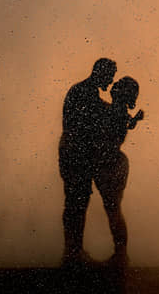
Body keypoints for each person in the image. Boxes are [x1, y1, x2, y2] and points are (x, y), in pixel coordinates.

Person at [59, 57, 117, 266]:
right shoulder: (84, 93)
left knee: (77, 202)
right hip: (75, 154)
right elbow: (96, 116)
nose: (111, 81)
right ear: (100, 72)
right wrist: (118, 110)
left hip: (76, 154)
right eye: (110, 76)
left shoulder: (84, 91)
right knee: (76, 203)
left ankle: (73, 251)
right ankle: (72, 253)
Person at [94, 76, 144, 265]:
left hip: (111, 163)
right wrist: (136, 119)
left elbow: (115, 128)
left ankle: (121, 254)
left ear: (122, 93)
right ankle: (120, 252)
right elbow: (128, 125)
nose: (114, 87)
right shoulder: (119, 110)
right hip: (110, 161)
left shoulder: (116, 110)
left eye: (118, 86)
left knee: (113, 209)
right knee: (113, 209)